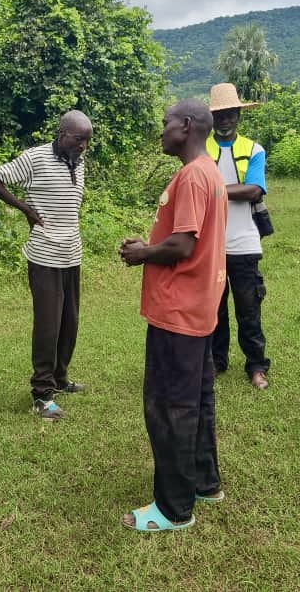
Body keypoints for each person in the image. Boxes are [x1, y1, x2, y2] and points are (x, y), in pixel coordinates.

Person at [119, 99, 228, 531]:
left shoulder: (192, 177)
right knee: (197, 401)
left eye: (165, 124)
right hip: (198, 307)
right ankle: (204, 481)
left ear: (185, 126)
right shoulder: (209, 172)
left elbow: (183, 244)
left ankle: (173, 508)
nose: (161, 131)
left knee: (169, 407)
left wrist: (144, 252)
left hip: (178, 311)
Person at [0, 111, 93, 420]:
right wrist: (25, 208)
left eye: (87, 140)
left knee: (69, 322)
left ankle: (59, 378)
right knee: (48, 324)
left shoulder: (77, 160)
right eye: (77, 138)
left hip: (72, 253)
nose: (83, 145)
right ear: (61, 133)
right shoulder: (35, 157)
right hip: (44, 255)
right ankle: (42, 394)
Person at [206, 82, 272, 390]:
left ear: (238, 115)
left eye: (229, 114)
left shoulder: (253, 149)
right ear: (211, 118)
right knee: (213, 309)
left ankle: (257, 366)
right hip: (209, 244)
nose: (224, 120)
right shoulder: (201, 149)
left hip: (244, 242)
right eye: (218, 115)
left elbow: (254, 190)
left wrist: (212, 190)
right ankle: (216, 362)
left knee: (249, 309)